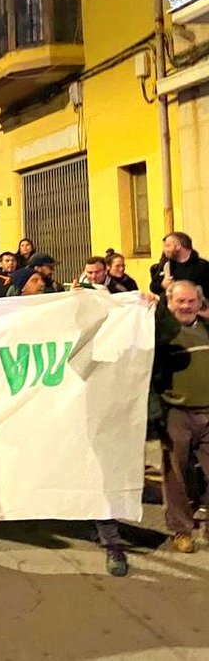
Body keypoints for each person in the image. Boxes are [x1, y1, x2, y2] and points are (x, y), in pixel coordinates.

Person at [154, 280, 209, 554]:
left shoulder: (207, 328)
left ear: (200, 303)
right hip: (175, 414)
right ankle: (181, 530)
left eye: (191, 301)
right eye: (180, 301)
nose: (186, 306)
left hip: (208, 412)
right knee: (176, 474)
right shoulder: (162, 333)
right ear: (170, 302)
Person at [150, 232, 209, 297]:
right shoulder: (166, 264)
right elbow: (153, 286)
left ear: (178, 246)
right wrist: (162, 285)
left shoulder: (202, 266)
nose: (164, 250)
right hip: (167, 305)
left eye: (167, 246)